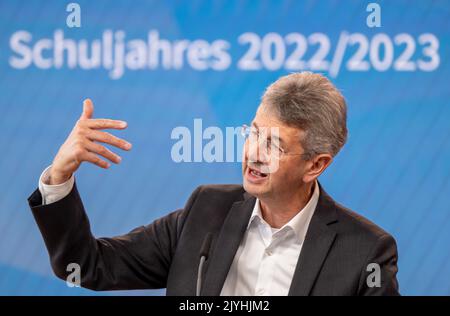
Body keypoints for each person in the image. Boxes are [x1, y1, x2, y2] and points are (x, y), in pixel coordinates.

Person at [28, 72, 399, 295]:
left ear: (315, 165)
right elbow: (86, 265)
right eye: (254, 133)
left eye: (274, 145)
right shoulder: (205, 212)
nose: (253, 154)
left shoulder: (364, 252)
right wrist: (59, 177)